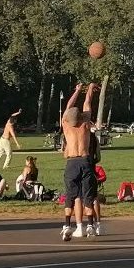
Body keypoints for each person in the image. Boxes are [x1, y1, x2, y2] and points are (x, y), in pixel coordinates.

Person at [58, 83, 99, 242]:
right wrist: (89, 89)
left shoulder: (66, 125)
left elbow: (69, 106)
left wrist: (76, 90)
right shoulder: (85, 124)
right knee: (87, 194)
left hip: (71, 162)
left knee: (70, 195)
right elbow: (87, 103)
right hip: (85, 160)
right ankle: (90, 226)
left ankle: (67, 226)